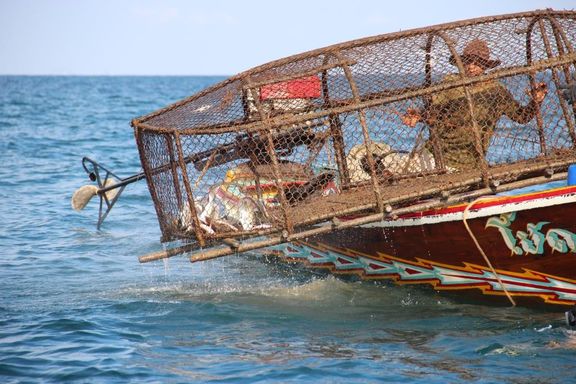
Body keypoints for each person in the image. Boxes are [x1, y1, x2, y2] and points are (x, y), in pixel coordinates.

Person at [402, 39, 548, 170]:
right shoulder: (451, 83)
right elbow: (433, 111)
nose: (471, 67)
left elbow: (522, 117)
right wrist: (419, 116)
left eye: (477, 62)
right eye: (467, 61)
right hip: (435, 156)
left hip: (469, 164)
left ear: (486, 65)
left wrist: (536, 101)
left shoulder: (496, 91)